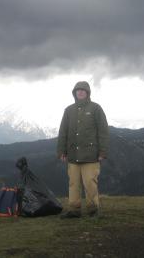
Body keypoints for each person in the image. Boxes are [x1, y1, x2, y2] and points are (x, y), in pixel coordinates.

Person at [57, 81, 109, 218]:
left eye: (83, 90)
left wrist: (103, 151)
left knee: (90, 183)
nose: (80, 92)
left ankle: (94, 210)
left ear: (87, 92)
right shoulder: (68, 110)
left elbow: (103, 131)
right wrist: (61, 151)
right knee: (73, 184)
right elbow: (63, 132)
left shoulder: (96, 108)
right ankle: (74, 210)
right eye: (77, 90)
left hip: (91, 155)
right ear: (74, 93)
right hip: (73, 155)